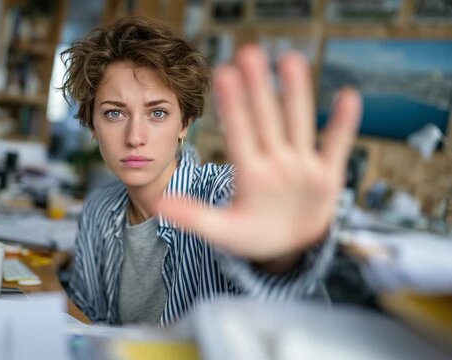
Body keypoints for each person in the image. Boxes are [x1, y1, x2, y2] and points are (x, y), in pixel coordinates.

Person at [61, 16, 361, 326]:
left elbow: (281, 294)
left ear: (184, 124)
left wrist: (279, 259)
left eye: (158, 113)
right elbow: (89, 323)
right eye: (114, 113)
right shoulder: (98, 209)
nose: (135, 137)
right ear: (92, 127)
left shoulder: (220, 194)